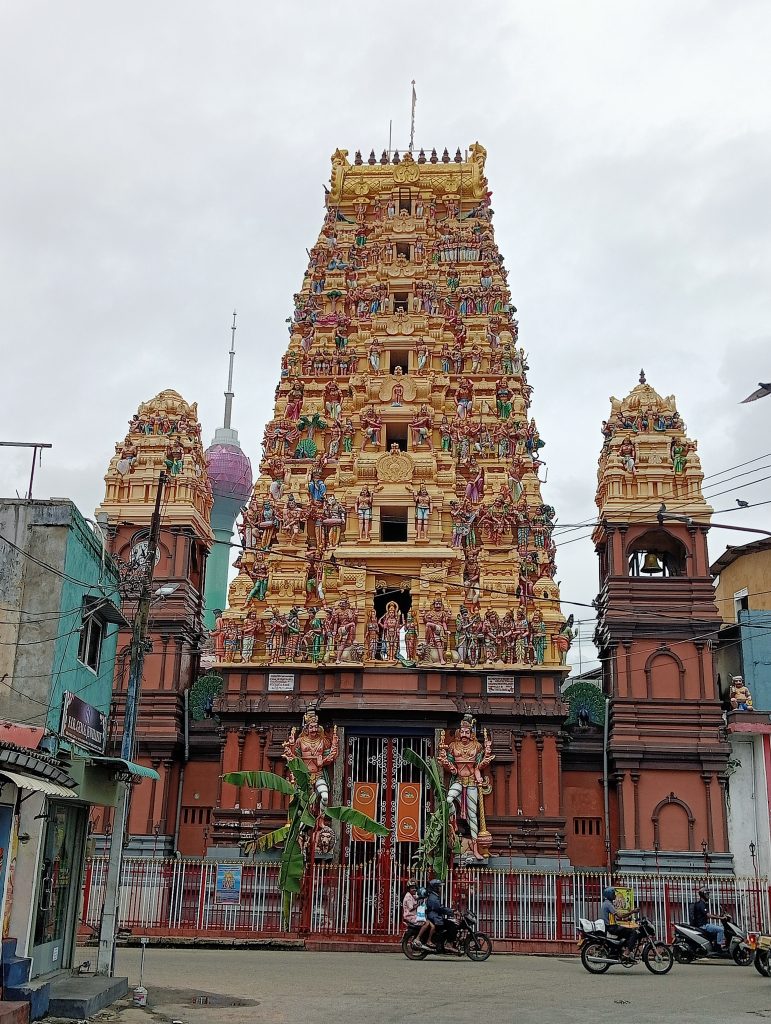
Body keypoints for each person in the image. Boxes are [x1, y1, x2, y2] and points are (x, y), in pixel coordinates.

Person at [416, 879, 457, 952]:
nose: (441, 888)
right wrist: (450, 911)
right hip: (435, 918)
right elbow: (439, 908)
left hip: (435, 917)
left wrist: (450, 911)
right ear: (435, 887)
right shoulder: (433, 897)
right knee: (452, 925)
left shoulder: (434, 896)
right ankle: (448, 944)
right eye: (439, 886)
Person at [600, 887, 638, 962]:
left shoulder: (606, 903)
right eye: (613, 894)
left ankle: (622, 949)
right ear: (609, 895)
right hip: (612, 927)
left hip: (610, 926)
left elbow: (613, 917)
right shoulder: (608, 904)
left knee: (626, 932)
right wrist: (632, 912)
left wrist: (625, 920)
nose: (615, 895)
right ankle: (626, 953)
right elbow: (619, 915)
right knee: (634, 932)